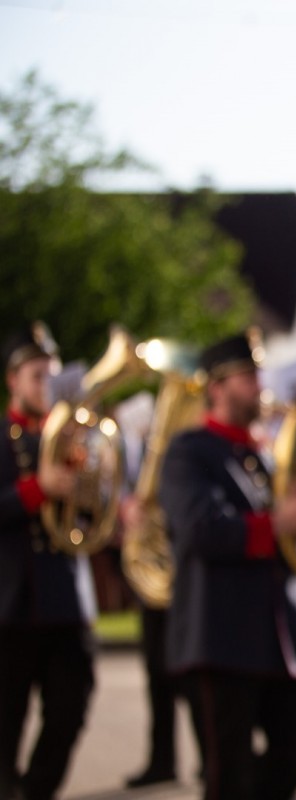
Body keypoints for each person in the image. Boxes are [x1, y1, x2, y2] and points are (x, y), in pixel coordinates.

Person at [160, 332, 296, 800]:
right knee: (226, 777)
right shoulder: (189, 450)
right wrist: (279, 523)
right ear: (217, 387)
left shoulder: (260, 455)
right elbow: (200, 530)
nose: (260, 385)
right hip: (220, 638)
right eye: (248, 376)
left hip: (276, 638)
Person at [0, 323, 94, 800]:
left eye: (52, 376)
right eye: (37, 376)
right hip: (9, 605)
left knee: (69, 712)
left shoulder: (74, 440)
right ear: (12, 380)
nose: (46, 386)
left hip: (65, 602)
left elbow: (97, 515)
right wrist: (38, 490)